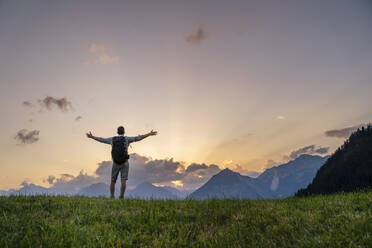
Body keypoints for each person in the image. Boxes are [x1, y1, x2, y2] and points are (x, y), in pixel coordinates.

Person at [86, 126, 157, 198]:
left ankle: (112, 196)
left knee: (113, 181)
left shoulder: (112, 139)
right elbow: (138, 138)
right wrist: (149, 134)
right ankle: (121, 197)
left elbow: (101, 140)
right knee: (123, 181)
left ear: (117, 132)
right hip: (125, 162)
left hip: (115, 163)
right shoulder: (127, 139)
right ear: (124, 132)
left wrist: (92, 137)